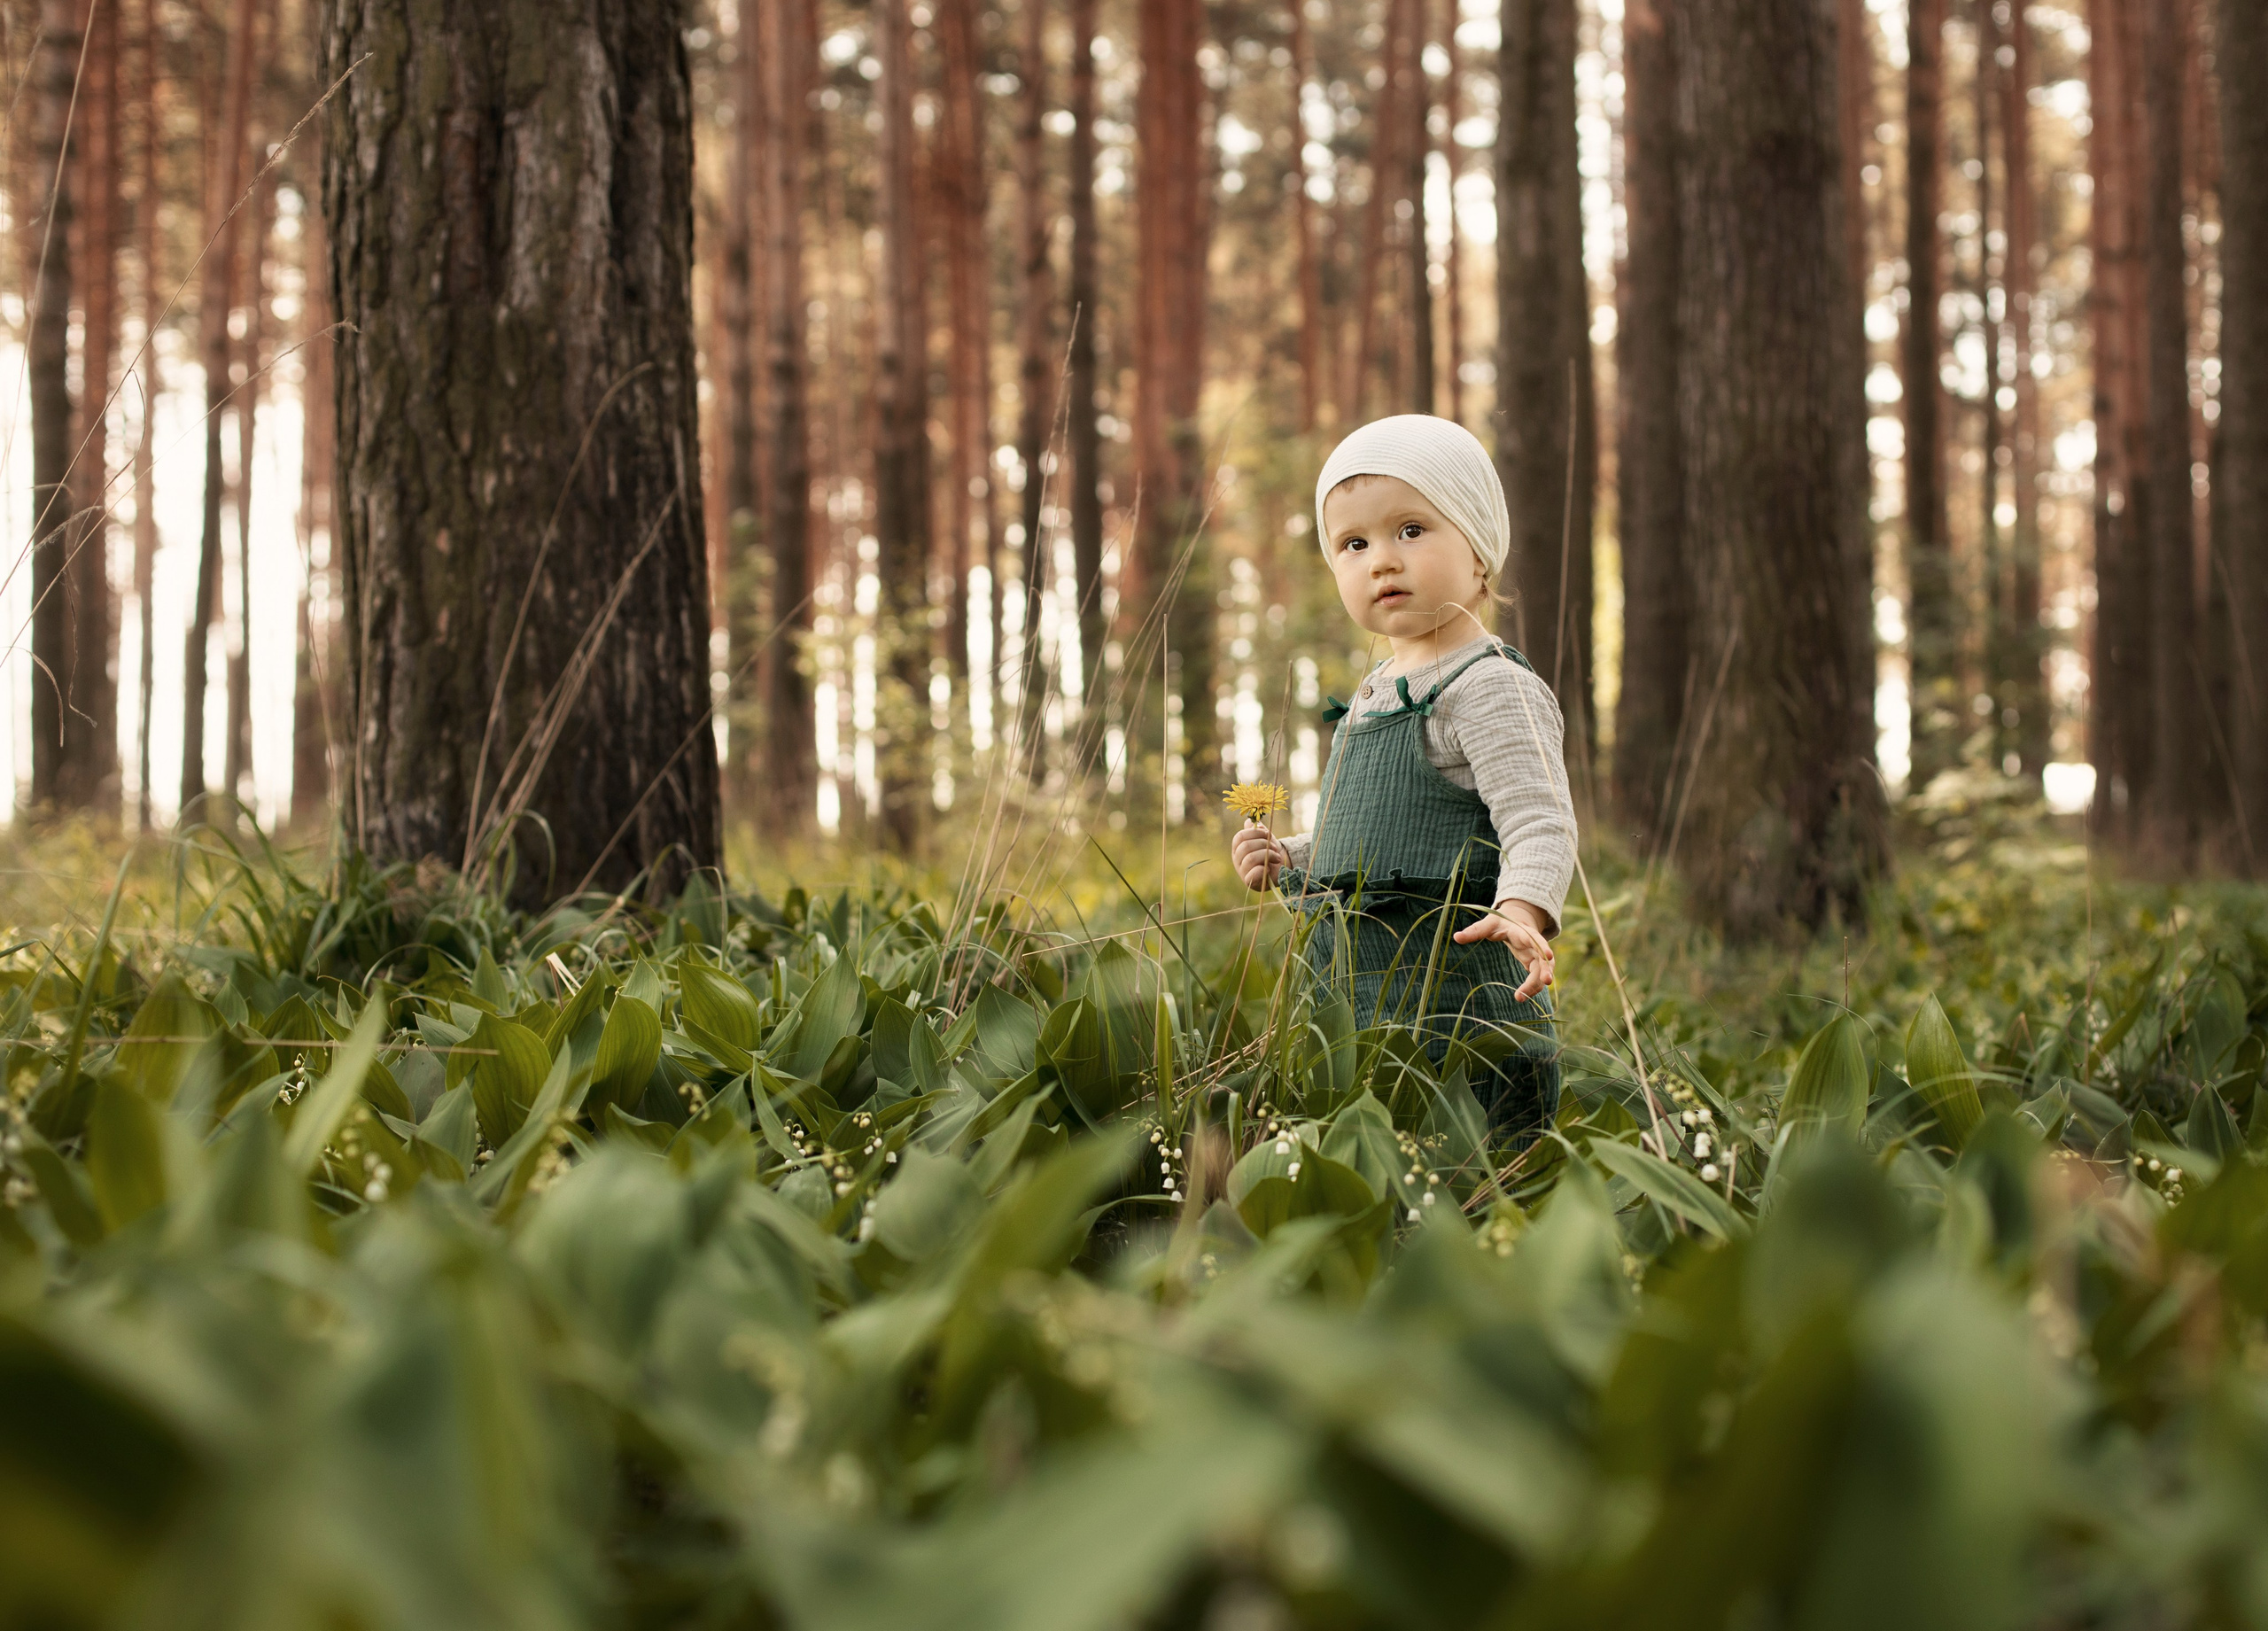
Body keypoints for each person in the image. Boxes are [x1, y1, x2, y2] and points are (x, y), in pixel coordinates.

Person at [1231, 415, 1576, 1142]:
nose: (1381, 560)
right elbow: (1365, 833)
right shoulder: (1375, 689)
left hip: (1461, 1012)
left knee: (1475, 1175)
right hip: (1359, 1008)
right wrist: (1294, 854)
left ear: (1479, 551)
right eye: (1354, 544)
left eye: (1411, 530)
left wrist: (1522, 908)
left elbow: (1539, 819)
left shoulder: (1489, 686)